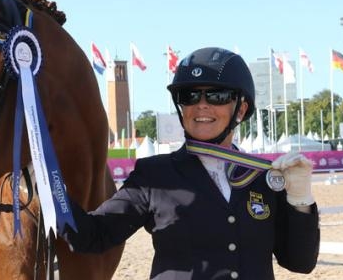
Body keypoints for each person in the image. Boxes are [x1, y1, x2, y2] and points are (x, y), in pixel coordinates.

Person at [60, 47, 319, 280]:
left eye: (216, 96)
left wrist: (300, 200)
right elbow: (91, 236)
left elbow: (300, 262)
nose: (201, 106)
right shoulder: (154, 175)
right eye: (190, 96)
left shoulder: (263, 178)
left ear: (240, 110)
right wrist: (45, 186)